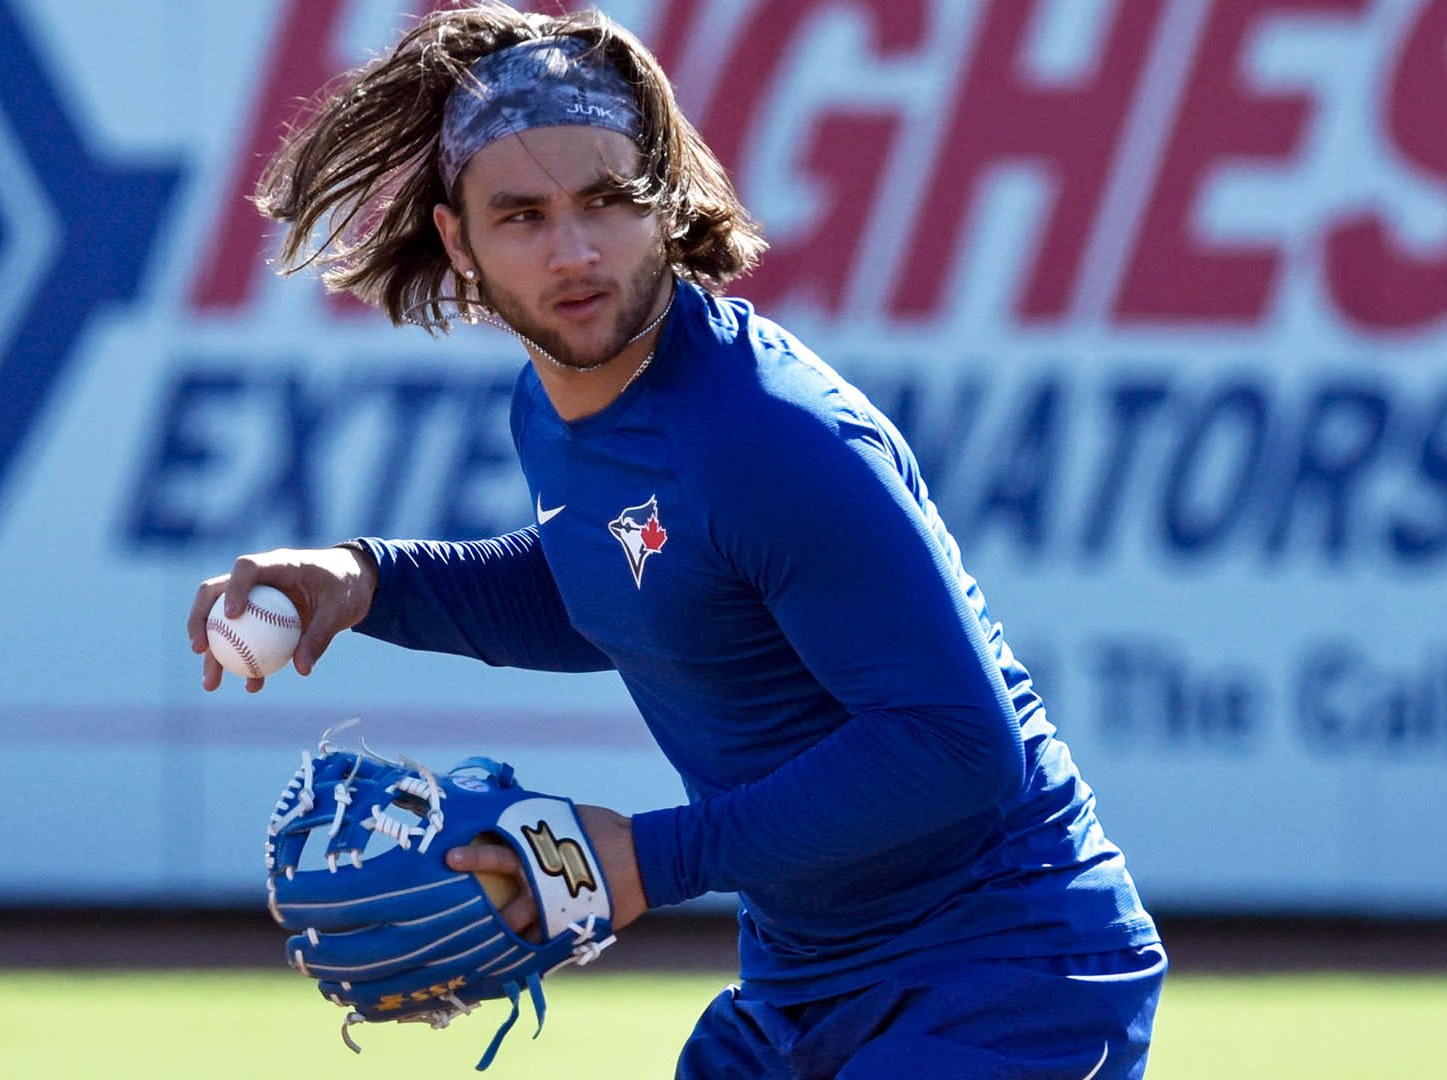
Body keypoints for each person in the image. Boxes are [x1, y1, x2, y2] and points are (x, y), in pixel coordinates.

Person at [186, 4, 1164, 1076]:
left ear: (666, 202)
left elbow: (961, 745)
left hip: (1005, 973)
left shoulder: (770, 435)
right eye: (522, 216)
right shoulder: (554, 409)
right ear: (459, 239)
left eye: (607, 200)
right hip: (808, 983)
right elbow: (624, 592)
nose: (575, 250)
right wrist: (367, 579)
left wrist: (649, 860)